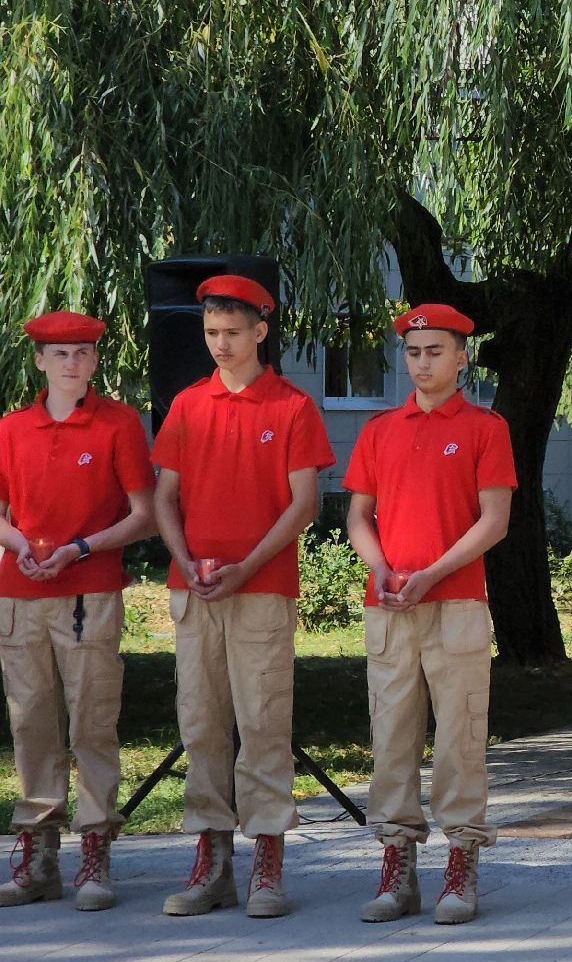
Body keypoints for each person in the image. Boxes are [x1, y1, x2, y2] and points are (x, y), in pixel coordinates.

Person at [151, 275, 334, 918]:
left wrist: (245, 567)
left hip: (262, 591)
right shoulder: (186, 405)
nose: (220, 345)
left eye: (232, 333)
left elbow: (303, 504)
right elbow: (163, 498)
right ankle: (211, 861)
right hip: (194, 590)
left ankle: (268, 862)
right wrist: (184, 560)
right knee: (200, 724)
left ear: (261, 331)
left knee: (262, 725)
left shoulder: (291, 407)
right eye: (210, 334)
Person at [343, 303, 513, 925]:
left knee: (460, 741)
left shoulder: (484, 428)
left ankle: (461, 862)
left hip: (457, 605)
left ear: (462, 356)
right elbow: (359, 515)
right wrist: (382, 568)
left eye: (435, 351)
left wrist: (432, 574)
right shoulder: (380, 429)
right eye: (413, 353)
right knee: (390, 738)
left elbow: (494, 521)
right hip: (388, 606)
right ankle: (397, 866)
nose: (422, 362)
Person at [0, 312, 155, 911]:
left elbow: (142, 513)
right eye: (59, 355)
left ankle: (95, 850)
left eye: (83, 354)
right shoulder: (11, 428)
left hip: (90, 589)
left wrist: (79, 548)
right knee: (31, 722)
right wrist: (18, 545)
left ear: (94, 361)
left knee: (92, 721)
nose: (72, 365)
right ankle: (39, 856)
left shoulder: (117, 424)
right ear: (38, 361)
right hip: (19, 594)